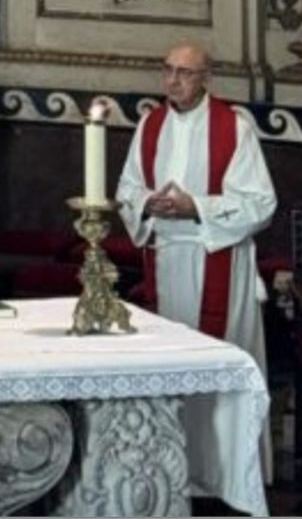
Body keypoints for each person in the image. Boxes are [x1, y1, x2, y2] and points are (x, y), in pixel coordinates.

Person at [114, 40, 277, 498]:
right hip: (166, 258)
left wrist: (196, 208)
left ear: (206, 77)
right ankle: (173, 473)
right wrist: (149, 203)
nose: (173, 81)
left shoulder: (233, 127)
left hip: (217, 257)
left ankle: (227, 478)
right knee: (172, 368)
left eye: (184, 73)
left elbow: (260, 203)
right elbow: (127, 189)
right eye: (168, 70)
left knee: (219, 365)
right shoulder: (150, 125)